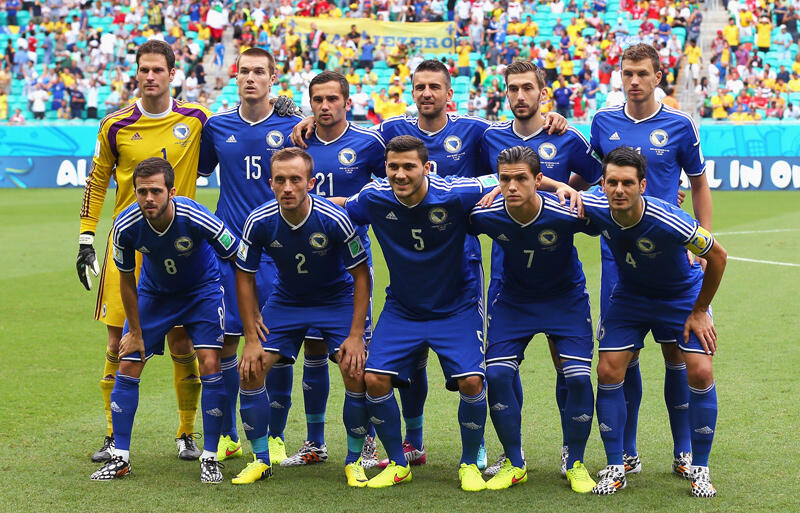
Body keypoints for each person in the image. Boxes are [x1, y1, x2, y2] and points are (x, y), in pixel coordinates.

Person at [77, 40, 211, 464]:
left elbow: (240, 132)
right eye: (143, 69)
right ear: (136, 73)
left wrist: (284, 112)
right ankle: (113, 435)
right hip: (128, 246)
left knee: (183, 341)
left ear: (173, 74)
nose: (150, 76)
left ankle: (186, 433)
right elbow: (97, 180)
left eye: (157, 69)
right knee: (118, 340)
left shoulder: (196, 118)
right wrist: (85, 238)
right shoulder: (114, 125)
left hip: (182, 248)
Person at [340, 135, 499, 490]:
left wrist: (559, 188)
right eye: (393, 167)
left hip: (456, 304)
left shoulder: (455, 192)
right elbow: (341, 207)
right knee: (374, 379)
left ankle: (469, 462)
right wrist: (301, 205)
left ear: (426, 168)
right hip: (404, 306)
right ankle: (399, 462)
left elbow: (510, 176)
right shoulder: (374, 196)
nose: (400, 174)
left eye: (409, 166)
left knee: (471, 381)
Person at [589, 43, 712, 480]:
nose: (634, 80)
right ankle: (626, 452)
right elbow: (593, 179)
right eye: (627, 73)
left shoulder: (680, 124)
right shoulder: (603, 122)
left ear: (658, 77)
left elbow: (698, 183)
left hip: (670, 254)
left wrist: (702, 241)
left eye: (642, 73)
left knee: (677, 352)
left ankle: (684, 452)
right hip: (618, 257)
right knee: (623, 355)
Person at [479, 60, 601, 478]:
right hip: (508, 279)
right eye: (512, 88)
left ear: (542, 93)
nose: (520, 96)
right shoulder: (489, 136)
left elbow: (599, 178)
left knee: (569, 369)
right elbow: (479, 180)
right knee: (501, 370)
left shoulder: (566, 135)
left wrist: (564, 190)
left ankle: (572, 453)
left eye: (527, 88)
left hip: (558, 275)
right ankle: (512, 455)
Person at [583, 147, 726, 498]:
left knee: (700, 371)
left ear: (642, 185)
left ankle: (699, 468)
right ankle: (617, 466)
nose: (619, 190)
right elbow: (552, 193)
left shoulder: (669, 218)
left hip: (680, 296)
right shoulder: (596, 206)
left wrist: (699, 310)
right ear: (602, 184)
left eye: (627, 183)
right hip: (631, 296)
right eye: (612, 182)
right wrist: (558, 187)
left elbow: (718, 256)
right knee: (607, 369)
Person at [89, 157, 239, 483]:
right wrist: (136, 331)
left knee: (209, 362)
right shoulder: (126, 226)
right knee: (128, 362)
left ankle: (210, 457)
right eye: (142, 191)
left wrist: (238, 304)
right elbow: (126, 279)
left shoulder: (195, 216)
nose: (148, 198)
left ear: (171, 192)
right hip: (155, 295)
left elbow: (236, 253)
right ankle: (120, 457)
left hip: (201, 292)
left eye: (156, 191)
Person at [231, 147, 371, 486]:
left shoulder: (335, 219)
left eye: (295, 180)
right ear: (270, 183)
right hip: (288, 300)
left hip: (336, 300)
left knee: (355, 370)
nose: (287, 187)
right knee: (250, 370)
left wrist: (355, 336)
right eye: (280, 180)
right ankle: (260, 460)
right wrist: (250, 337)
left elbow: (361, 276)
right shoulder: (259, 221)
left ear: (311, 182)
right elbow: (244, 276)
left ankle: (354, 461)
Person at [469, 146, 597, 493]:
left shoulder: (567, 211)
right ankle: (514, 462)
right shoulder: (485, 214)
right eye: (505, 179)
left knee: (578, 378)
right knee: (497, 375)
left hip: (565, 301)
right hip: (514, 301)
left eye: (521, 179)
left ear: (538, 180)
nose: (512, 186)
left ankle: (575, 462)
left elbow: (615, 214)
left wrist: (562, 187)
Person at [198, 47, 304, 465]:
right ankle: (226, 435)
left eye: (259, 71)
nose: (250, 78)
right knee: (225, 341)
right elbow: (196, 168)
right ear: (235, 76)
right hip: (228, 251)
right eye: (244, 71)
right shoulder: (217, 126)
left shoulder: (294, 125)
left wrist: (305, 117)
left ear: (273, 78)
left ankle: (275, 435)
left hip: (278, 253)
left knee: (275, 344)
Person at [279, 71, 386, 469]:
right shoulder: (298, 140)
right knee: (313, 349)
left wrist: (349, 202)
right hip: (304, 266)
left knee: (354, 358)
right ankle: (315, 442)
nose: (324, 106)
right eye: (318, 100)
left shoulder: (368, 143)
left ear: (347, 102)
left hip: (349, 265)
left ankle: (367, 444)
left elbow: (390, 187)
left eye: (332, 99)